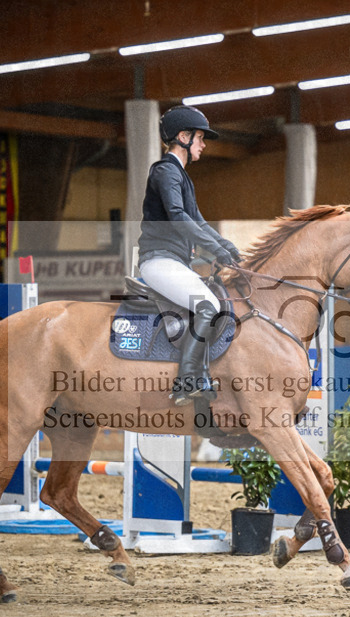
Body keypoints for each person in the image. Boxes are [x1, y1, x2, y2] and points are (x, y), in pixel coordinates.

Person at [137, 105, 242, 406]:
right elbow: (178, 217)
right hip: (159, 260)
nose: (203, 144)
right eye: (200, 137)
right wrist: (216, 250)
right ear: (183, 137)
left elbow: (199, 222)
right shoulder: (165, 171)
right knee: (208, 306)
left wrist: (229, 248)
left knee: (216, 300)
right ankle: (187, 380)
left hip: (174, 262)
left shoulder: (182, 177)